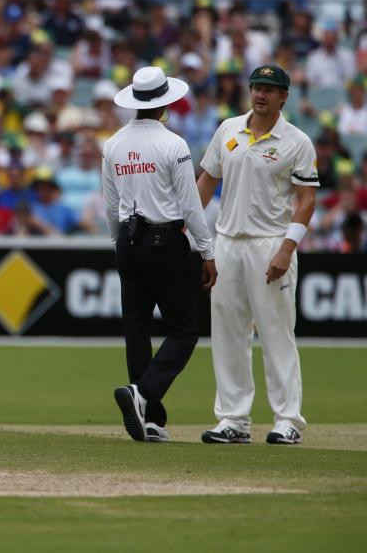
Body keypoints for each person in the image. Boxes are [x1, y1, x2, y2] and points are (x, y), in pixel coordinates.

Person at [197, 65, 317, 445]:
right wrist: (195, 235)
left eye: (270, 89)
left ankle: (287, 420)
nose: (261, 94)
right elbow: (206, 182)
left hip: (270, 243)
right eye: (256, 87)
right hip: (227, 241)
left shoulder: (297, 141)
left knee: (276, 332)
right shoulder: (228, 129)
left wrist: (287, 248)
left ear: (284, 96)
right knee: (228, 333)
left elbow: (306, 200)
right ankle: (233, 419)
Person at [103, 66, 217, 443]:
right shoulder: (173, 144)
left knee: (136, 329)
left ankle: (151, 418)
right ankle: (144, 394)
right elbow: (190, 206)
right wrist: (207, 251)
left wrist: (119, 245)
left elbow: (111, 206)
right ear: (165, 102)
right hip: (164, 240)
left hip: (128, 242)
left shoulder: (113, 144)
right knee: (184, 329)